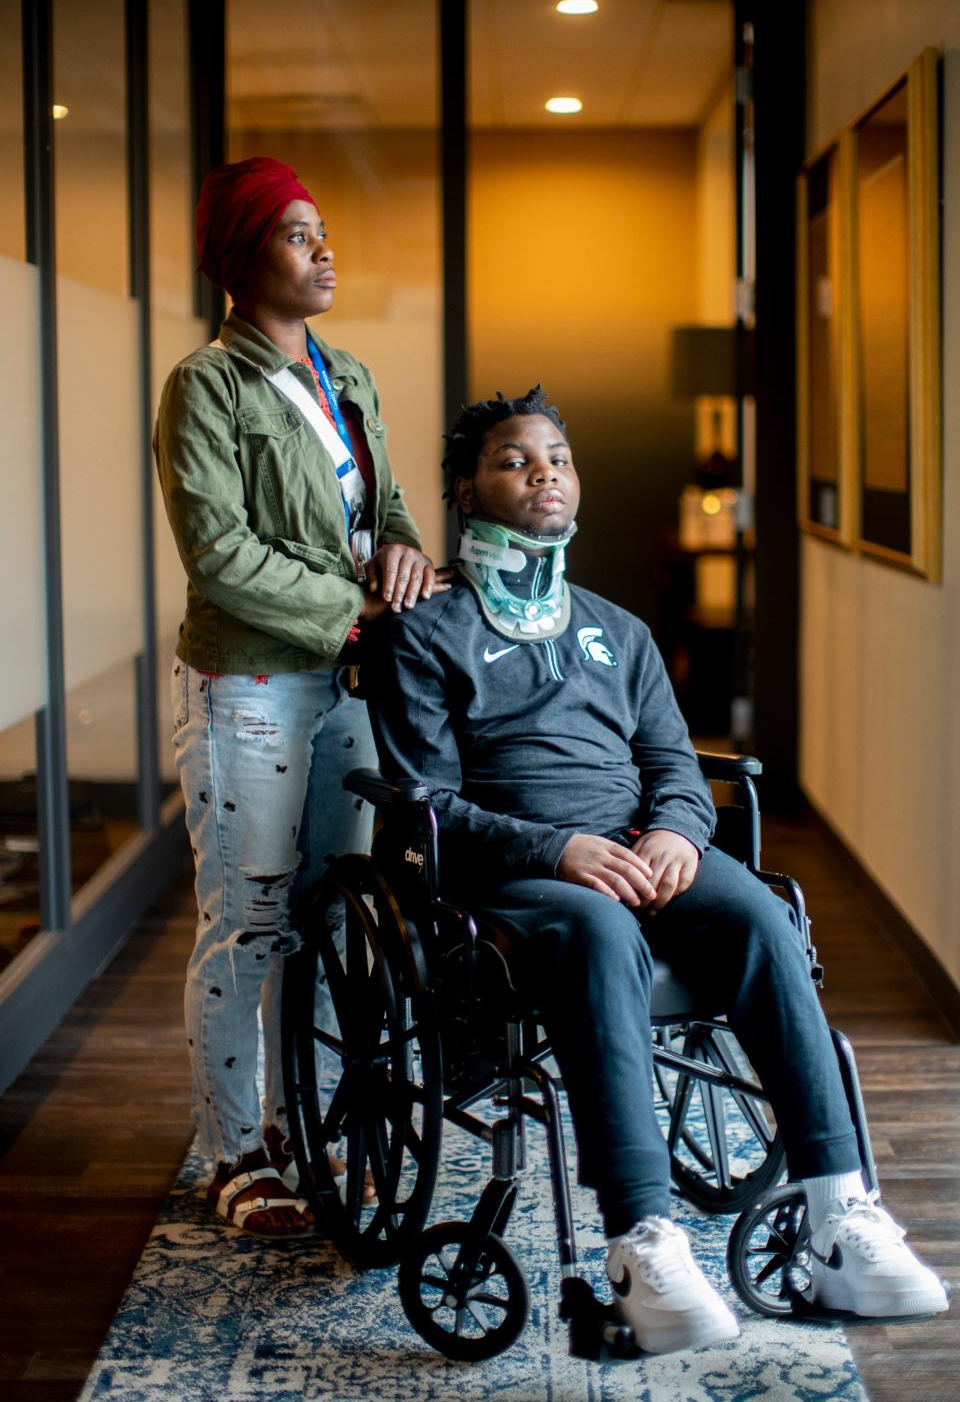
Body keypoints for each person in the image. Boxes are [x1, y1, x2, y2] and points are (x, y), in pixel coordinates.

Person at [366, 385, 949, 1354]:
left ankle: (842, 1210)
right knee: (597, 930)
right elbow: (431, 807)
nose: (544, 471)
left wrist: (679, 830)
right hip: (520, 879)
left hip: (646, 851)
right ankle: (643, 1241)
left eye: (557, 456)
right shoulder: (423, 635)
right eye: (515, 459)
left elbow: (676, 766)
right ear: (466, 493)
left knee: (763, 915)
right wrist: (560, 849)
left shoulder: (618, 630)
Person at [154, 156, 445, 1235]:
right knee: (250, 919)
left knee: (337, 911)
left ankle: (312, 1123)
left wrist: (408, 558)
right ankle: (236, 1154)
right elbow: (219, 554)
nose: (324, 251)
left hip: (353, 678)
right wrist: (352, 606)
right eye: (295, 233)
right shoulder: (206, 386)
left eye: (323, 230)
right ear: (241, 261)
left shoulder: (350, 375)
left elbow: (394, 509)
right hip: (252, 683)